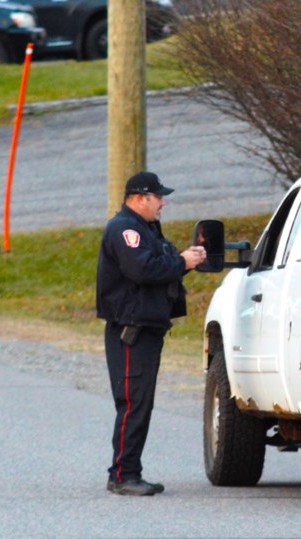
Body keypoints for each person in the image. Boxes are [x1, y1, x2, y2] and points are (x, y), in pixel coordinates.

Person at [96, 171, 206, 496]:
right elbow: (143, 270)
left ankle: (129, 471)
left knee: (140, 402)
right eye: (158, 197)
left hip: (147, 328)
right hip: (131, 331)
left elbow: (159, 261)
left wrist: (185, 259)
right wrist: (181, 263)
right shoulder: (125, 229)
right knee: (133, 402)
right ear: (140, 198)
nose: (163, 202)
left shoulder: (144, 229)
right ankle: (122, 475)